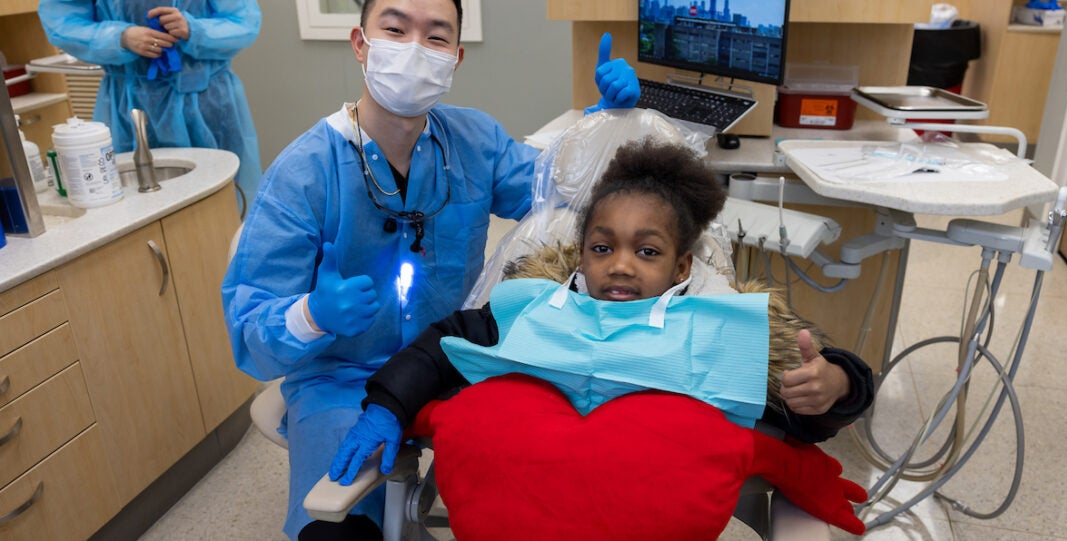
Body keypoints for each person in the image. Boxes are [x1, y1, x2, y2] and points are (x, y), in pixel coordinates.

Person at [219, 0, 640, 538]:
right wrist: (312, 315)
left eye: (436, 37)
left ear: (456, 58)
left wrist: (605, 124)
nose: (415, 49)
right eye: (395, 29)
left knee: (543, 494)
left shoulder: (474, 142)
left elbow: (558, 188)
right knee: (335, 525)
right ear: (360, 43)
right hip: (343, 381)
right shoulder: (303, 175)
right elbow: (251, 336)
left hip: (454, 364)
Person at [329, 138, 875, 486]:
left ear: (683, 266)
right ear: (582, 252)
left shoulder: (721, 324)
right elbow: (444, 345)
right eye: (601, 247)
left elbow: (805, 406)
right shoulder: (537, 305)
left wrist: (835, 386)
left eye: (647, 252)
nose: (619, 266)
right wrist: (388, 404)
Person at [37, 0, 263, 196]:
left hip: (208, 104)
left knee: (228, 198)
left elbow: (245, 21)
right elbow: (60, 22)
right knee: (138, 203)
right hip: (129, 107)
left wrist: (194, 29)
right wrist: (120, 37)